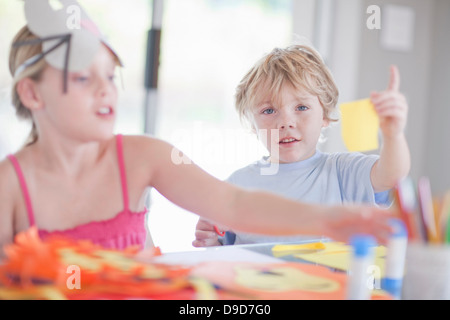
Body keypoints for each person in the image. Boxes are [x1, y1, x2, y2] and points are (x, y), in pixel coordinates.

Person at [0, 1, 394, 260]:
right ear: (32, 93)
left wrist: (323, 219)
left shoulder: (142, 156)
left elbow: (235, 205)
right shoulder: (10, 186)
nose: (107, 88)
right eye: (84, 77)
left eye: (110, 74)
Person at [193, 45, 410, 247]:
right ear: (252, 124)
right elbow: (225, 254)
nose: (286, 122)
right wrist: (212, 242)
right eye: (269, 111)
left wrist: (393, 135)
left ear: (324, 115)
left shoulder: (343, 172)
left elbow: (391, 175)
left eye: (301, 107)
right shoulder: (236, 185)